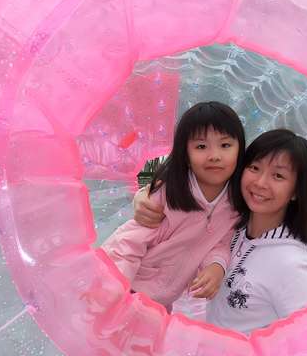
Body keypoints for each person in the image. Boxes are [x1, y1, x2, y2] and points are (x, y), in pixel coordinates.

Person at [134, 129, 307, 334]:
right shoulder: (227, 226)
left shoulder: (293, 266)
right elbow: (191, 189)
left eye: (278, 176)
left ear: (296, 191)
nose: (260, 183)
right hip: (201, 347)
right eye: (255, 167)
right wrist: (145, 196)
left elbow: (305, 343)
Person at [101, 100, 246, 312]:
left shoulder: (236, 202)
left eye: (225, 145)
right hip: (128, 289)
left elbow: (221, 242)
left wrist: (217, 266)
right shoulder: (170, 194)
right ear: (185, 154)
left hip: (162, 302)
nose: (214, 156)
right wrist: (115, 289)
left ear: (240, 149)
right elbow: (129, 241)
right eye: (201, 146)